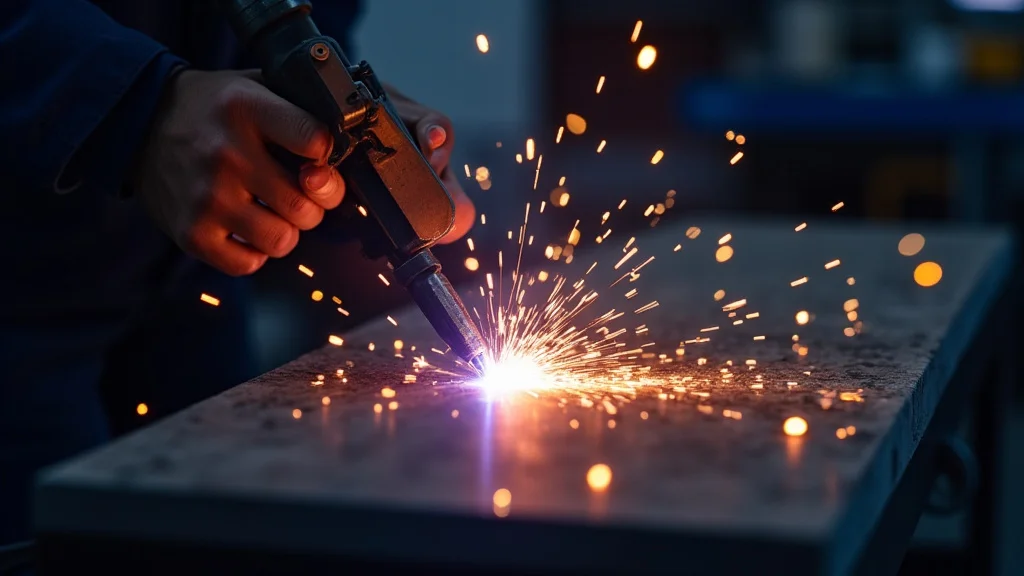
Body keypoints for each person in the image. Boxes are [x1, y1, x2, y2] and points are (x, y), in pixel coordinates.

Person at [0, 0, 474, 547]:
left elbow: (303, 35)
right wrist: (136, 107)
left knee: (224, 539)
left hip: (194, 284)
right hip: (17, 290)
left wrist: (334, 148)